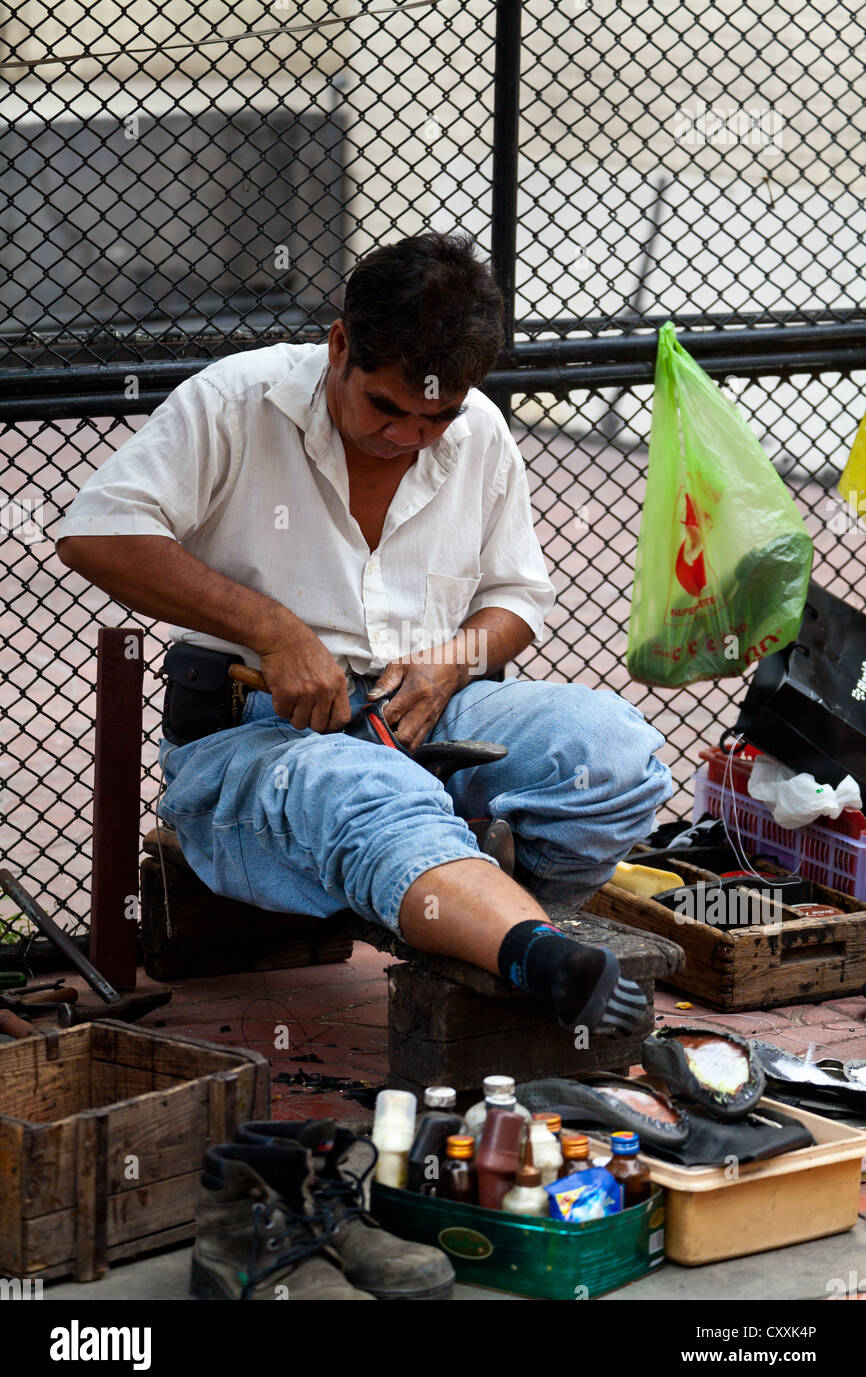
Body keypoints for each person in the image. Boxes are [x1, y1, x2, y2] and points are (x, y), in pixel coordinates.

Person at [56, 230, 672, 1036]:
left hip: (427, 719)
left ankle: (471, 909)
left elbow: (517, 598)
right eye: (387, 407)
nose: (410, 437)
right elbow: (96, 533)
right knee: (361, 790)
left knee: (613, 753)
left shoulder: (479, 429)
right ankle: (529, 950)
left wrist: (452, 664)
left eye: (435, 418)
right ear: (339, 343)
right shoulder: (238, 400)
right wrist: (273, 630)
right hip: (256, 738)